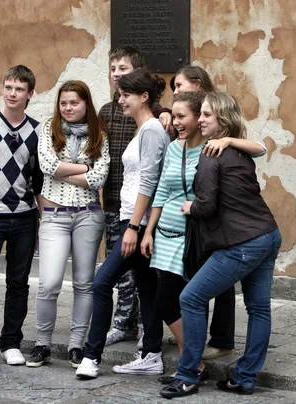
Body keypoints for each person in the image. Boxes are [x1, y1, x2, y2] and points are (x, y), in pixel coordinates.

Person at [160, 92, 281, 398]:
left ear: (222, 119)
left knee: (190, 298)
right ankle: (244, 378)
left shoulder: (211, 153)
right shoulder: (238, 150)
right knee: (258, 309)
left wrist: (190, 207)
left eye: (206, 115)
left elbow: (206, 206)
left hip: (242, 243)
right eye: (200, 114)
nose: (200, 120)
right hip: (268, 234)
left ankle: (187, 376)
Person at [76, 68, 169, 378]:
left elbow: (149, 181)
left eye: (126, 95)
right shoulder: (142, 129)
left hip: (137, 222)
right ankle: (152, 353)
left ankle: (91, 356)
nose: (120, 100)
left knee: (102, 283)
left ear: (144, 97)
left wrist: (135, 227)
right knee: (146, 287)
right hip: (133, 219)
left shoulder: (153, 129)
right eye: (119, 94)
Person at [27, 81, 109, 368]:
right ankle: (42, 343)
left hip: (88, 215)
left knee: (85, 284)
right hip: (54, 215)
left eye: (74, 102)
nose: (68, 108)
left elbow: (101, 178)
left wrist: (72, 171)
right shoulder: (49, 127)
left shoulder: (99, 130)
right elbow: (48, 165)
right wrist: (86, 168)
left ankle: (76, 345)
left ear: (86, 103)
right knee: (48, 283)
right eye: (64, 103)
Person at [99, 46, 172, 348]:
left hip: (140, 209)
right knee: (127, 278)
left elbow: (150, 174)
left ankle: (147, 331)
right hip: (115, 199)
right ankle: (124, 323)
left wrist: (165, 112)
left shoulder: (155, 118)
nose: (117, 74)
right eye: (113, 68)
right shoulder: (106, 111)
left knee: (138, 275)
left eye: (123, 69)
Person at [0, 65, 43, 366]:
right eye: (8, 87)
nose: (12, 93)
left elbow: (39, 176)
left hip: (24, 214)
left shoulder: (37, 130)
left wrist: (43, 215)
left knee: (19, 281)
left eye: (19, 89)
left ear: (30, 94)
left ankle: (10, 342)